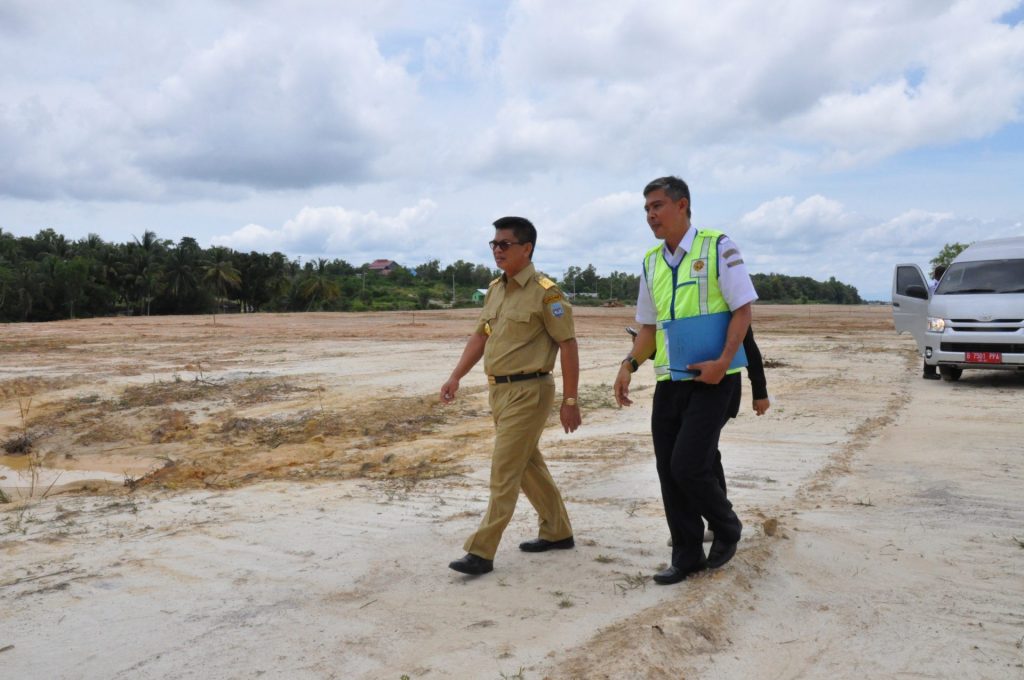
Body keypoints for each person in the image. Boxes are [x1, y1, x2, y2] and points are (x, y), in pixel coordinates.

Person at [614, 176, 757, 585]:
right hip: (670, 381)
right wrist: (629, 364)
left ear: (682, 205)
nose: (651, 215)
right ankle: (686, 554)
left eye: (657, 206)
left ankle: (726, 525)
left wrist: (724, 360)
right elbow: (647, 326)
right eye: (646, 209)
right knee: (667, 469)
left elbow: (742, 311)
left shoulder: (717, 246)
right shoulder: (651, 261)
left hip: (715, 378)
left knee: (689, 465)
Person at [441, 216, 582, 576]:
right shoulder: (496, 289)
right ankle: (557, 531)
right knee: (526, 465)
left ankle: (481, 551)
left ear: (527, 248)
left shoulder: (546, 293)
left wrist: (570, 401)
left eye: (505, 244)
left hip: (530, 390)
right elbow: (481, 335)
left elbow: (567, 345)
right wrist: (456, 375)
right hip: (499, 391)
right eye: (494, 244)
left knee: (504, 468)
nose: (497, 250)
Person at [923, 264, 947, 380]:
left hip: (940, 316)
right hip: (934, 317)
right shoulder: (932, 286)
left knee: (939, 341)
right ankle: (929, 371)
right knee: (934, 341)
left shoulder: (938, 285)